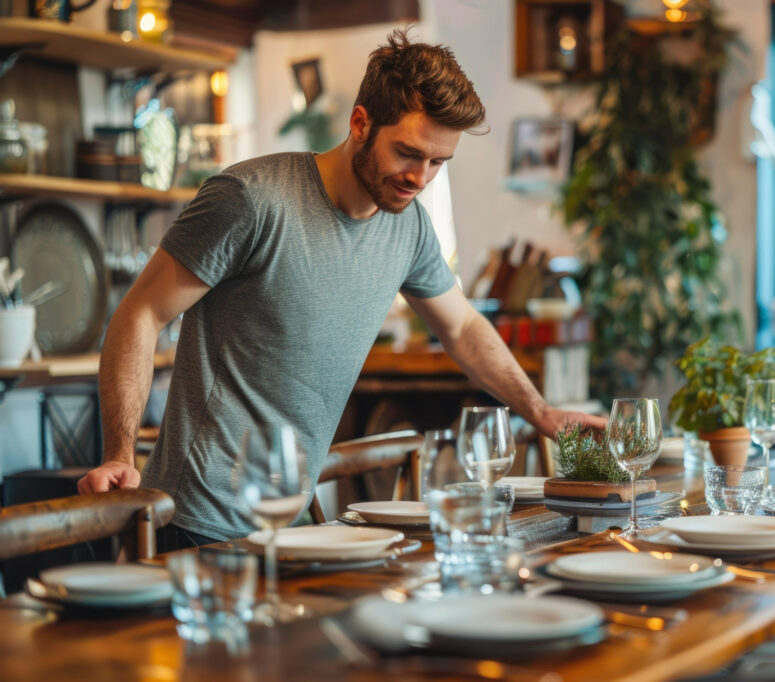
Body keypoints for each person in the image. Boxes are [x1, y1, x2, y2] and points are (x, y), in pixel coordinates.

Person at [77, 29, 605, 547]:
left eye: (438, 163)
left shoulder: (409, 225)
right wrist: (120, 455)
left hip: (296, 528)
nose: (419, 177)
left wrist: (541, 412)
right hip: (198, 524)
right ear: (360, 122)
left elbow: (463, 327)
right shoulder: (250, 199)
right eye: (408, 152)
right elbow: (139, 314)